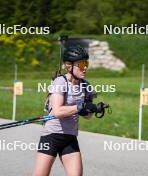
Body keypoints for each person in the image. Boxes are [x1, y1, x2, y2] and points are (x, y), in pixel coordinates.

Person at [32, 46, 100, 176]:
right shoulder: (60, 82)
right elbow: (57, 111)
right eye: (81, 64)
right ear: (69, 66)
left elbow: (87, 116)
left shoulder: (86, 86)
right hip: (51, 136)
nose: (85, 67)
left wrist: (93, 109)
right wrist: (80, 107)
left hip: (70, 137)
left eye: (86, 63)